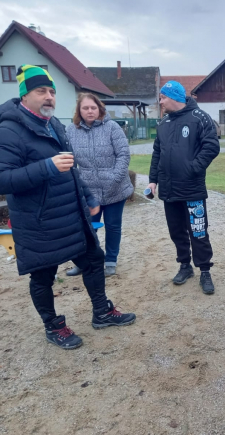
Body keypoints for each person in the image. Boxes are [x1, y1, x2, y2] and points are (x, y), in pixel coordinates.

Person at [0, 65, 135, 350]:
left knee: (94, 260)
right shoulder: (9, 130)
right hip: (39, 221)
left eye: (52, 91)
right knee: (43, 276)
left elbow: (70, 169)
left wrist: (88, 196)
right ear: (25, 95)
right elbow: (4, 179)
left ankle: (101, 312)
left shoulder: (54, 125)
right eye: (41, 91)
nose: (49, 97)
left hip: (72, 214)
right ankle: (53, 326)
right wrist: (46, 167)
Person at [146, 81, 220, 295]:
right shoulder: (164, 122)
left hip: (192, 189)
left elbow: (212, 146)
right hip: (169, 191)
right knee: (177, 231)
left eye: (163, 97)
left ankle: (205, 270)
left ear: (174, 97)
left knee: (198, 231)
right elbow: (157, 153)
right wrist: (153, 180)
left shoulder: (200, 117)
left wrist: (193, 168)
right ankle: (185, 266)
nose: (160, 102)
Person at [66, 93, 133, 277]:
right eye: (85, 108)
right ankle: (84, 261)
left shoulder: (112, 128)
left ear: (100, 108)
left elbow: (123, 155)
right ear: (79, 110)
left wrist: (114, 178)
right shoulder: (71, 130)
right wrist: (77, 184)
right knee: (86, 227)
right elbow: (68, 160)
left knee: (112, 226)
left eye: (93, 107)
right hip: (88, 192)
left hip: (115, 188)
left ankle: (110, 261)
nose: (90, 111)